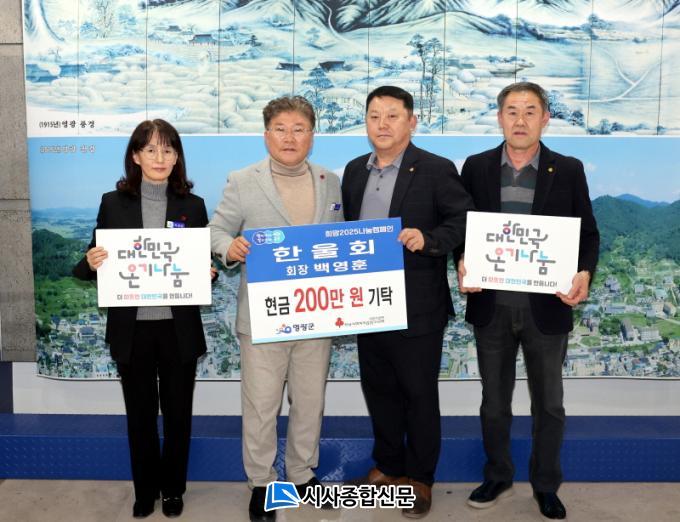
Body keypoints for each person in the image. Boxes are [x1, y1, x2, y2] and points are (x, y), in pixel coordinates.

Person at [457, 82, 600, 520]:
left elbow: (588, 233)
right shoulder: (477, 167)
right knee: (494, 403)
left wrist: (584, 272)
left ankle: (545, 485)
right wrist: (461, 259)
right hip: (492, 306)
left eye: (530, 111)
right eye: (512, 111)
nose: (520, 120)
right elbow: (460, 228)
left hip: (547, 308)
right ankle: (498, 475)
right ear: (500, 117)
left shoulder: (568, 169)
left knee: (549, 404)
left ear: (545, 118)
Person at [208, 95, 343, 522]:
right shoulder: (242, 180)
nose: (289, 137)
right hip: (264, 317)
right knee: (262, 406)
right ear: (266, 135)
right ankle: (263, 484)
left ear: (312, 136)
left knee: (309, 402)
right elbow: (216, 230)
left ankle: (302, 475)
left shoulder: (330, 181)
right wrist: (229, 247)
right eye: (280, 129)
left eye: (299, 129)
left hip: (316, 315)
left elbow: (341, 239)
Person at [342, 85, 474, 518]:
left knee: (418, 394)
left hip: (417, 305)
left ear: (412, 122)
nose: (382, 124)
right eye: (374, 116)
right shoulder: (354, 171)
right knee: (379, 390)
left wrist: (429, 239)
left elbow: (462, 220)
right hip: (366, 303)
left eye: (392, 116)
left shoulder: (435, 169)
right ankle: (388, 465)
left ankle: (419, 478)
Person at [73, 119, 210, 519]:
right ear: (135, 156)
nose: (159, 157)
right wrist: (91, 261)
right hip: (131, 330)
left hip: (177, 329)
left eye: (167, 149)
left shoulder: (193, 205)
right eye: (150, 149)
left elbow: (200, 263)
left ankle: (173, 490)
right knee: (140, 417)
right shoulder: (113, 203)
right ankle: (145, 490)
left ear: (177, 157)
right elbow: (89, 262)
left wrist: (207, 272)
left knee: (179, 416)